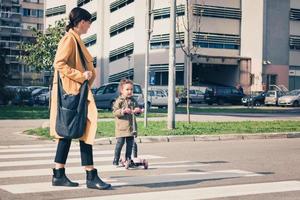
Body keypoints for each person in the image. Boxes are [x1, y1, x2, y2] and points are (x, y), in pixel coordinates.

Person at [49, 7, 111, 190]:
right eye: (89, 22)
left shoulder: (75, 40)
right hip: (74, 92)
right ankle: (90, 175)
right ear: (81, 22)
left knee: (69, 132)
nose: (89, 26)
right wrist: (81, 76)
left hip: (77, 92)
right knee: (86, 130)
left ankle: (59, 174)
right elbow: (59, 64)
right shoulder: (69, 39)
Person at [112, 79, 143, 167]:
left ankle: (128, 159)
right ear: (122, 90)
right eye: (127, 89)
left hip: (131, 128)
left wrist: (138, 111)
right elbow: (115, 112)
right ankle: (116, 159)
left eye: (131, 89)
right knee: (120, 143)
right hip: (121, 128)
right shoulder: (119, 100)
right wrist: (123, 111)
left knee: (130, 144)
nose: (130, 91)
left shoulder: (133, 100)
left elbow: (137, 111)